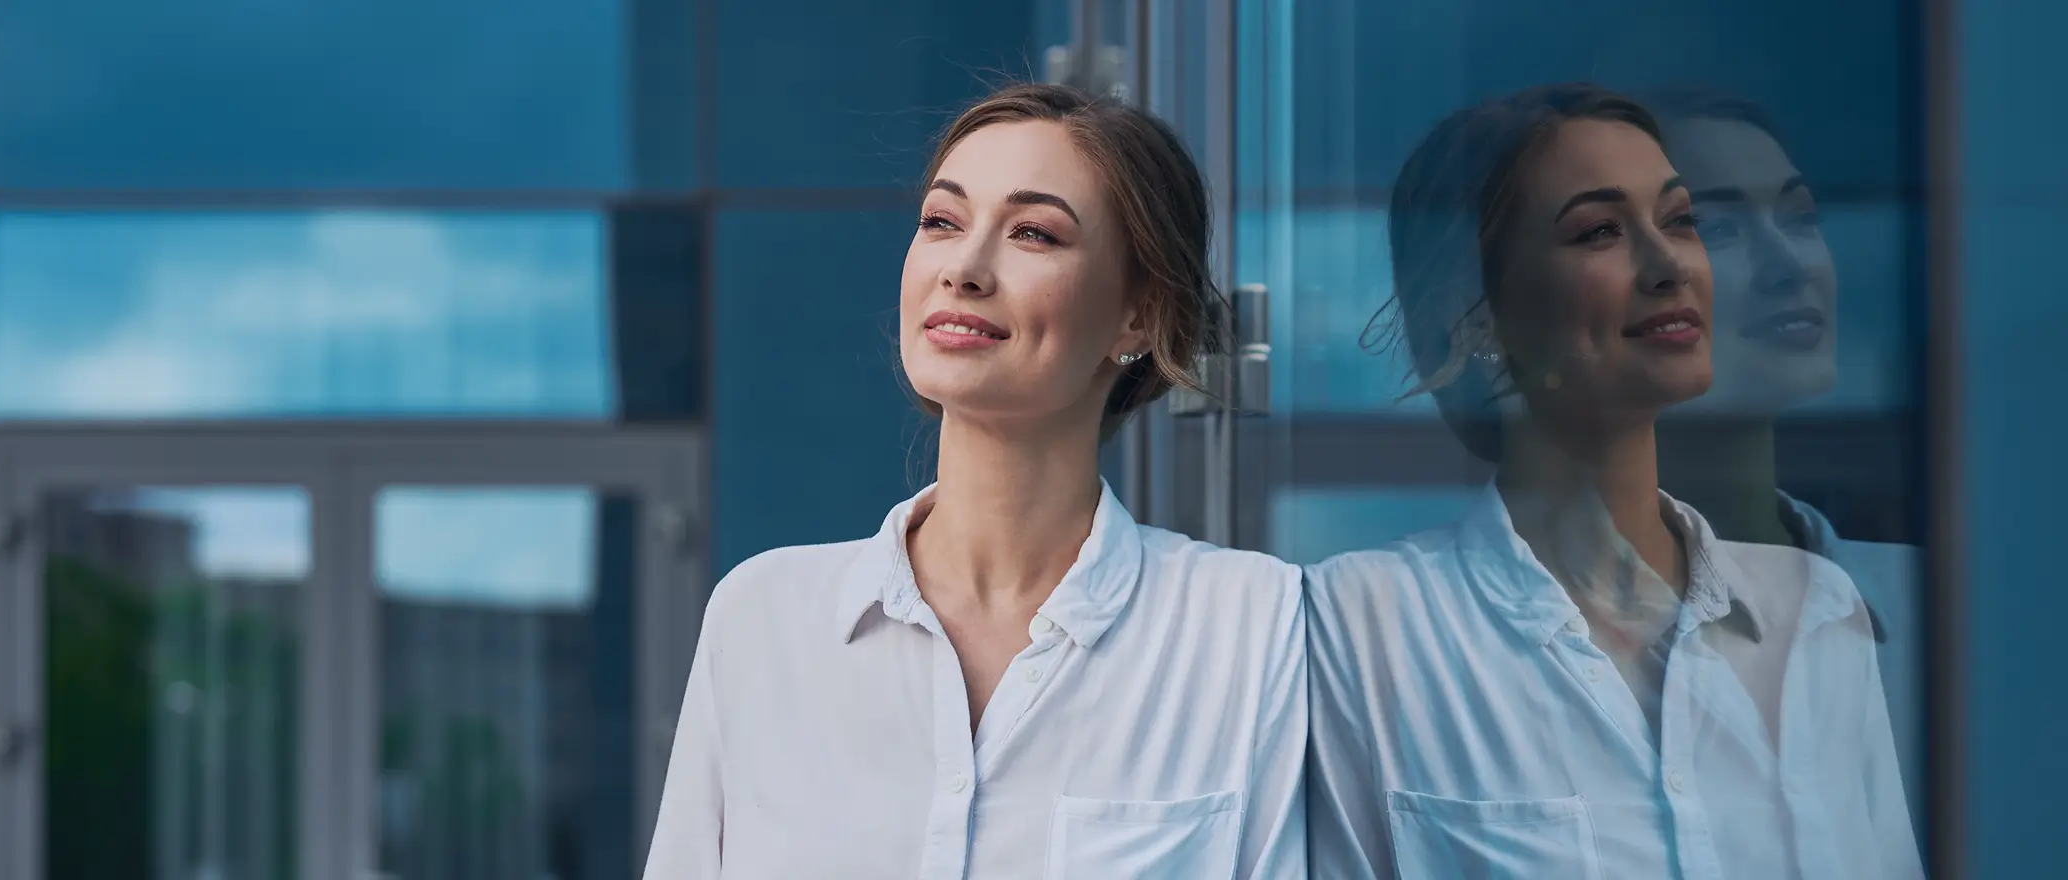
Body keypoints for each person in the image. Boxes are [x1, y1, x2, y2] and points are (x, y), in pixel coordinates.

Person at [642, 82, 1305, 878]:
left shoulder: (1251, 629)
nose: (964, 266)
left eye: (1033, 233)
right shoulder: (762, 618)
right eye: (941, 222)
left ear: (1139, 315)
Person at [1305, 82, 1919, 878]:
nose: (1669, 265)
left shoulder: (1820, 613)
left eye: (1680, 221)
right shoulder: (1362, 625)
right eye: (1599, 232)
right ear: (1481, 314)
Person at [1646, 87, 1926, 820]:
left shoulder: (1945, 612)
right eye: (1717, 227)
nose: (1788, 264)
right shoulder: (1549, 630)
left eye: (1800, 219)